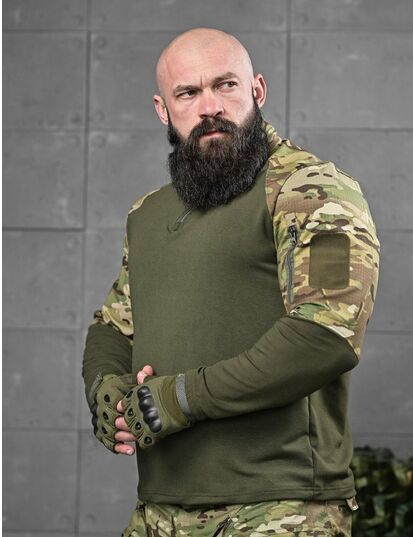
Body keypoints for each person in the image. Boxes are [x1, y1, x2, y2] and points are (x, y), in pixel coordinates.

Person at [82, 27, 380, 537]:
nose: (210, 107)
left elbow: (325, 335)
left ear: (257, 90)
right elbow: (113, 327)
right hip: (158, 509)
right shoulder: (148, 213)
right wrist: (105, 390)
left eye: (226, 85)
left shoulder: (311, 189)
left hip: (281, 509)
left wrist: (180, 398)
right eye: (188, 93)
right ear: (163, 109)